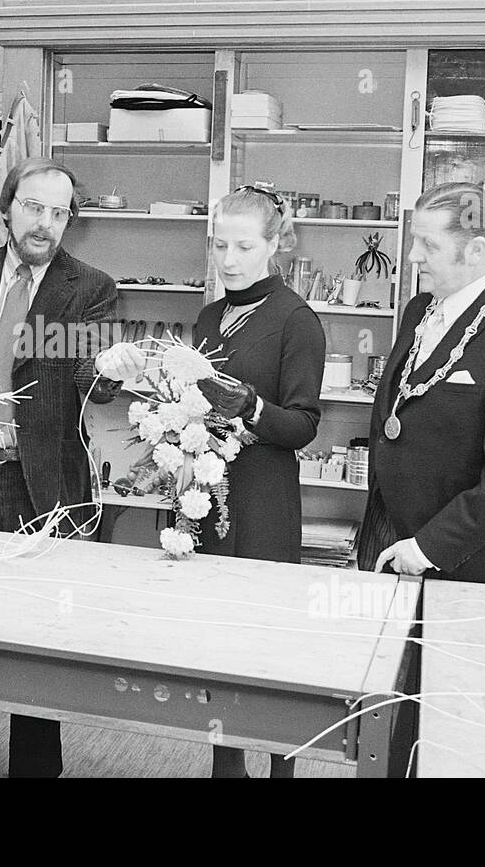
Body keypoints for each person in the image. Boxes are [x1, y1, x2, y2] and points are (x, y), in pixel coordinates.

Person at [0, 157, 146, 777]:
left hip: (40, 488)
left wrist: (107, 371)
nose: (46, 224)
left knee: (38, 648)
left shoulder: (90, 287)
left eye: (59, 213)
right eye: (35, 208)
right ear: (8, 207)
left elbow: (83, 373)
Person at [356, 182, 485, 586]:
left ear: (477, 250)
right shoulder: (419, 310)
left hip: (463, 562)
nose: (413, 257)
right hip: (389, 538)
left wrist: (428, 547)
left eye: (428, 246)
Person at [191, 183, 325, 778]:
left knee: (268, 642)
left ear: (276, 245)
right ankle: (226, 767)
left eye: (244, 246)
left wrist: (249, 406)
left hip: (265, 494)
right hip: (207, 489)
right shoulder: (209, 315)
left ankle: (281, 769)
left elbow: (302, 425)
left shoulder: (297, 320)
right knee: (218, 636)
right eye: (220, 245)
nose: (229, 260)